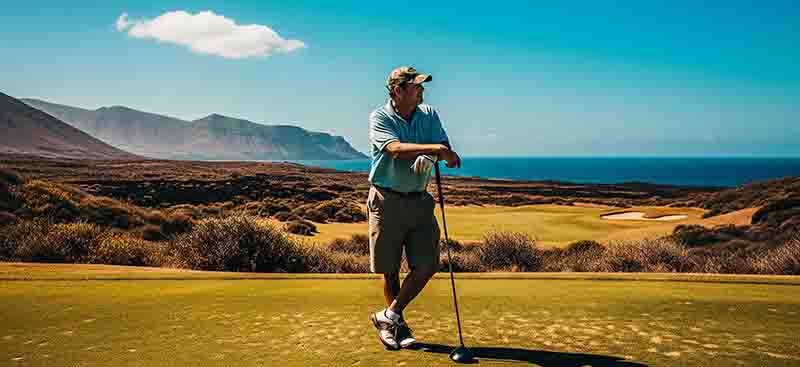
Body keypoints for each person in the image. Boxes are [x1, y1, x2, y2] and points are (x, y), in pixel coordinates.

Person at [367, 66, 461, 350]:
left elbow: (447, 151)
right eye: (416, 86)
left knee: (428, 265)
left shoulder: (429, 114)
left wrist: (433, 157)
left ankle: (388, 316)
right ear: (397, 90)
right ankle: (399, 328)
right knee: (390, 269)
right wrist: (434, 150)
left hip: (419, 199)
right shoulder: (380, 116)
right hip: (387, 199)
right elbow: (393, 149)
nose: (422, 91)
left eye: (421, 86)